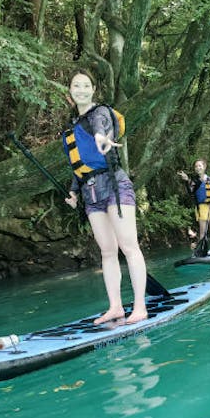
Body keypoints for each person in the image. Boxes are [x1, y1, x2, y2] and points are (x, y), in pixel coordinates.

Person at [63, 70, 147, 325]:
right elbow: (79, 166)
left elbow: (102, 131)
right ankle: (115, 307)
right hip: (90, 192)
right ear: (70, 91)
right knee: (107, 252)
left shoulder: (99, 113)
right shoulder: (72, 126)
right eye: (76, 85)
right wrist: (73, 192)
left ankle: (140, 307)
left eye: (86, 85)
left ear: (93, 89)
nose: (81, 90)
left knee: (129, 246)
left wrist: (102, 139)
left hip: (114, 185)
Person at [177, 159, 210, 255]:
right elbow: (191, 190)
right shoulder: (195, 181)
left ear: (204, 167)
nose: (198, 168)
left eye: (200, 166)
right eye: (196, 166)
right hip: (201, 208)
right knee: (202, 231)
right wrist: (186, 180)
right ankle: (202, 251)